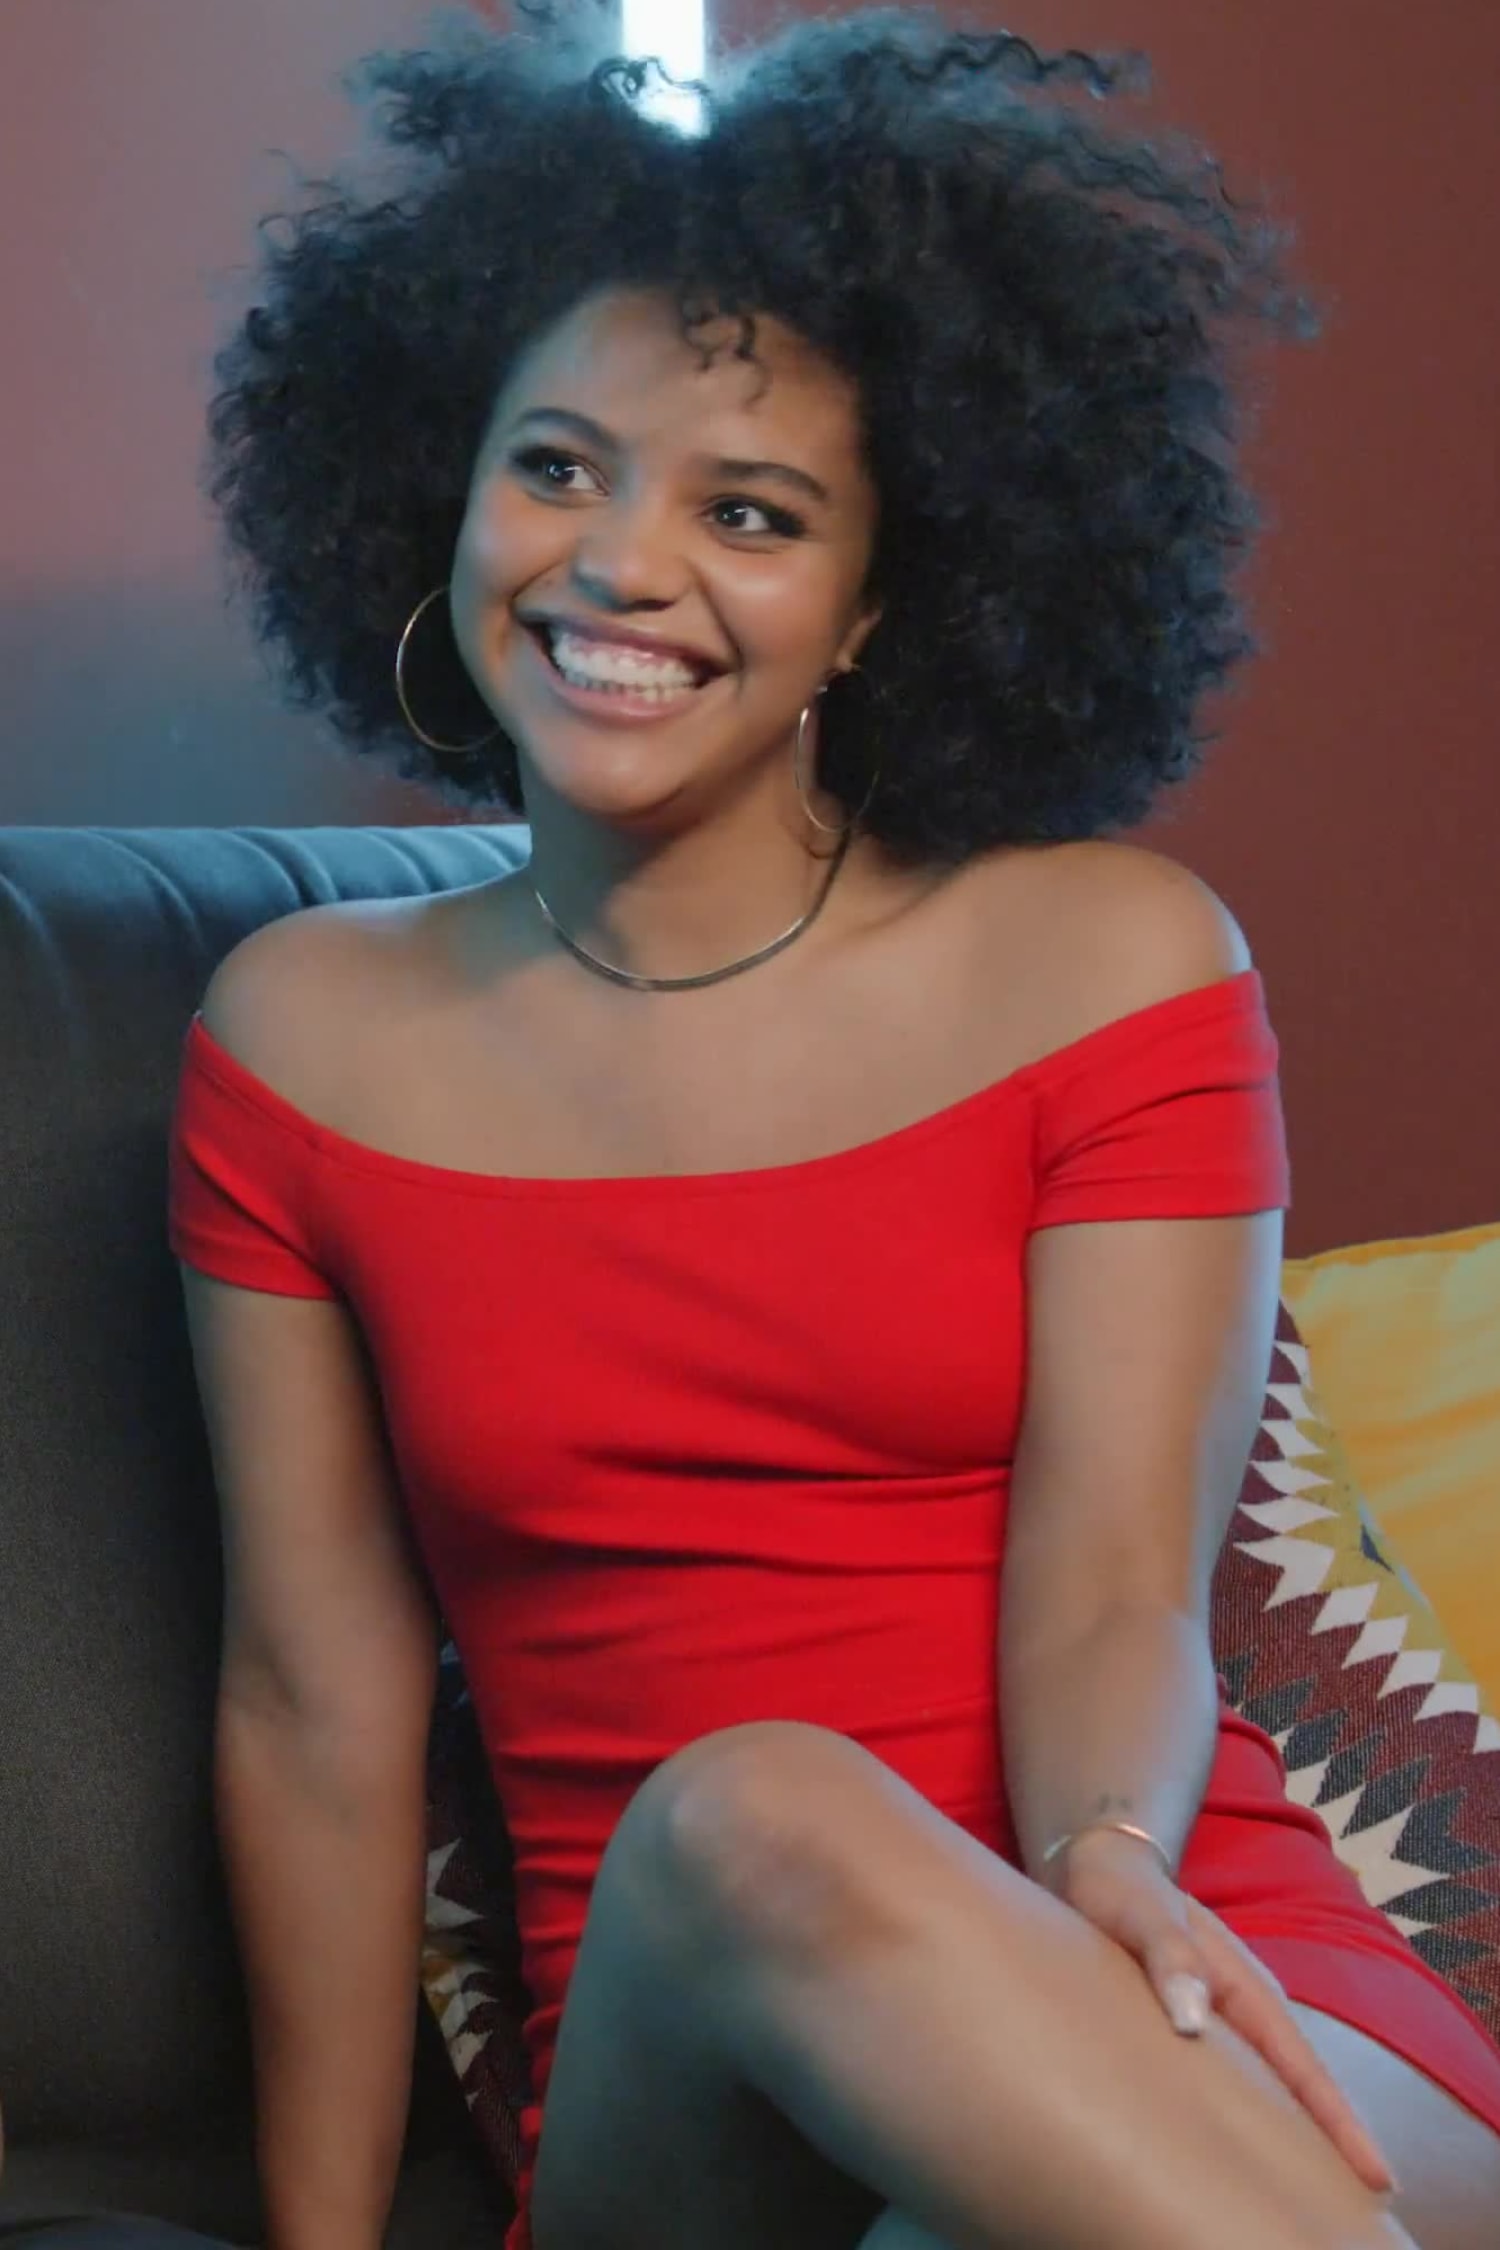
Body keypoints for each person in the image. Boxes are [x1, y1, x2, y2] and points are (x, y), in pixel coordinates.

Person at [164, 10, 1500, 2250]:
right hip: (685, 2094)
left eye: (750, 514)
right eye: (557, 467)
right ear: (440, 489)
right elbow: (314, 1705)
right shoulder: (299, 1042)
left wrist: (1099, 1868)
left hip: (1184, 1969)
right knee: (761, 1811)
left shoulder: (1112, 959)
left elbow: (1114, 1579)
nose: (620, 566)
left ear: (880, 603)